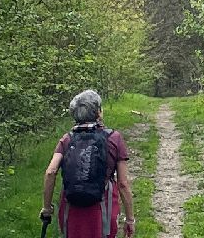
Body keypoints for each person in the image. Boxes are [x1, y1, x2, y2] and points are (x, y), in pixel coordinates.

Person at [41, 90, 136, 238]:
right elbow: (123, 183)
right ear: (98, 112)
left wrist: (47, 208)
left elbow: (50, 172)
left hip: (71, 207)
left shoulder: (67, 139)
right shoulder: (114, 138)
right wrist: (130, 219)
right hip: (103, 207)